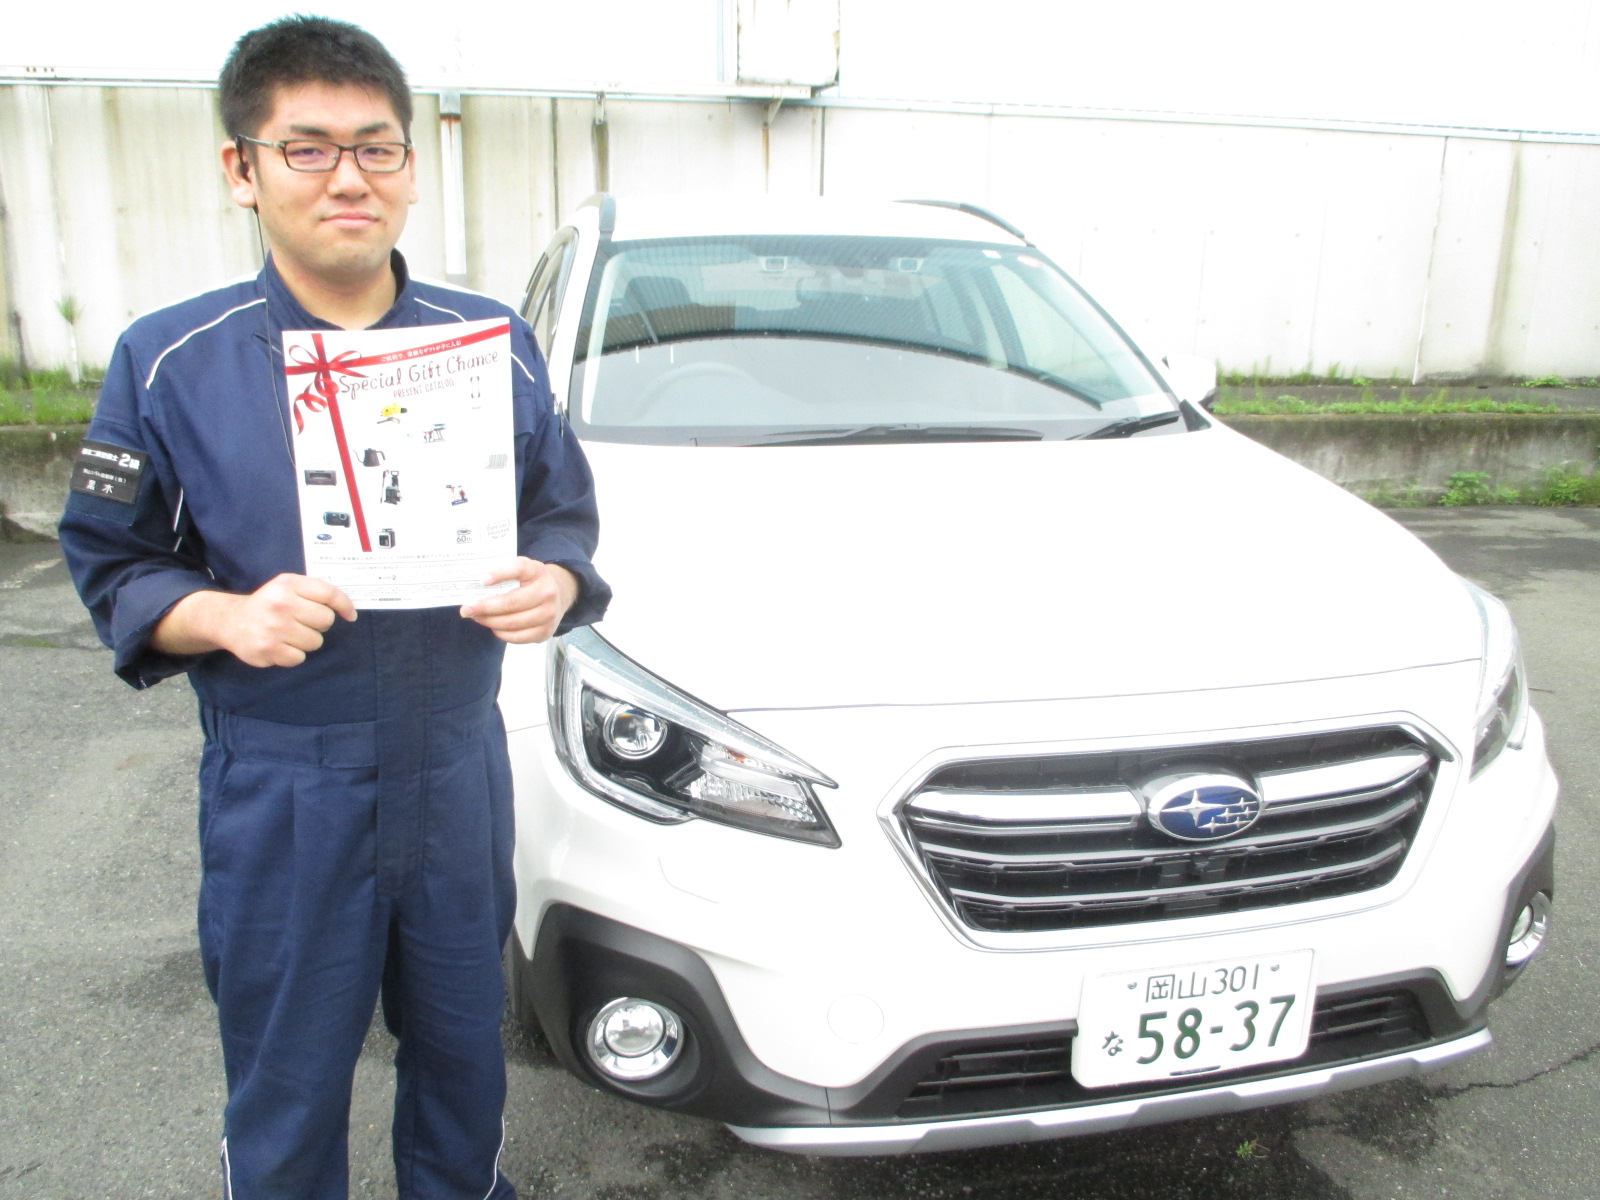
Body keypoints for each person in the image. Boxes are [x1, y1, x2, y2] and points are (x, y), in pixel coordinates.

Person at [58, 15, 609, 1198]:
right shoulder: (173, 359)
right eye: (306, 149)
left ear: (410, 166)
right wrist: (225, 618)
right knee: (288, 1072)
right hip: (285, 784)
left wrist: (555, 580)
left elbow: (560, 509)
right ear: (241, 168)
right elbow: (112, 558)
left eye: (377, 147)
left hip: (456, 769)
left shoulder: (487, 344)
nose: (348, 178)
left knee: (463, 1056)